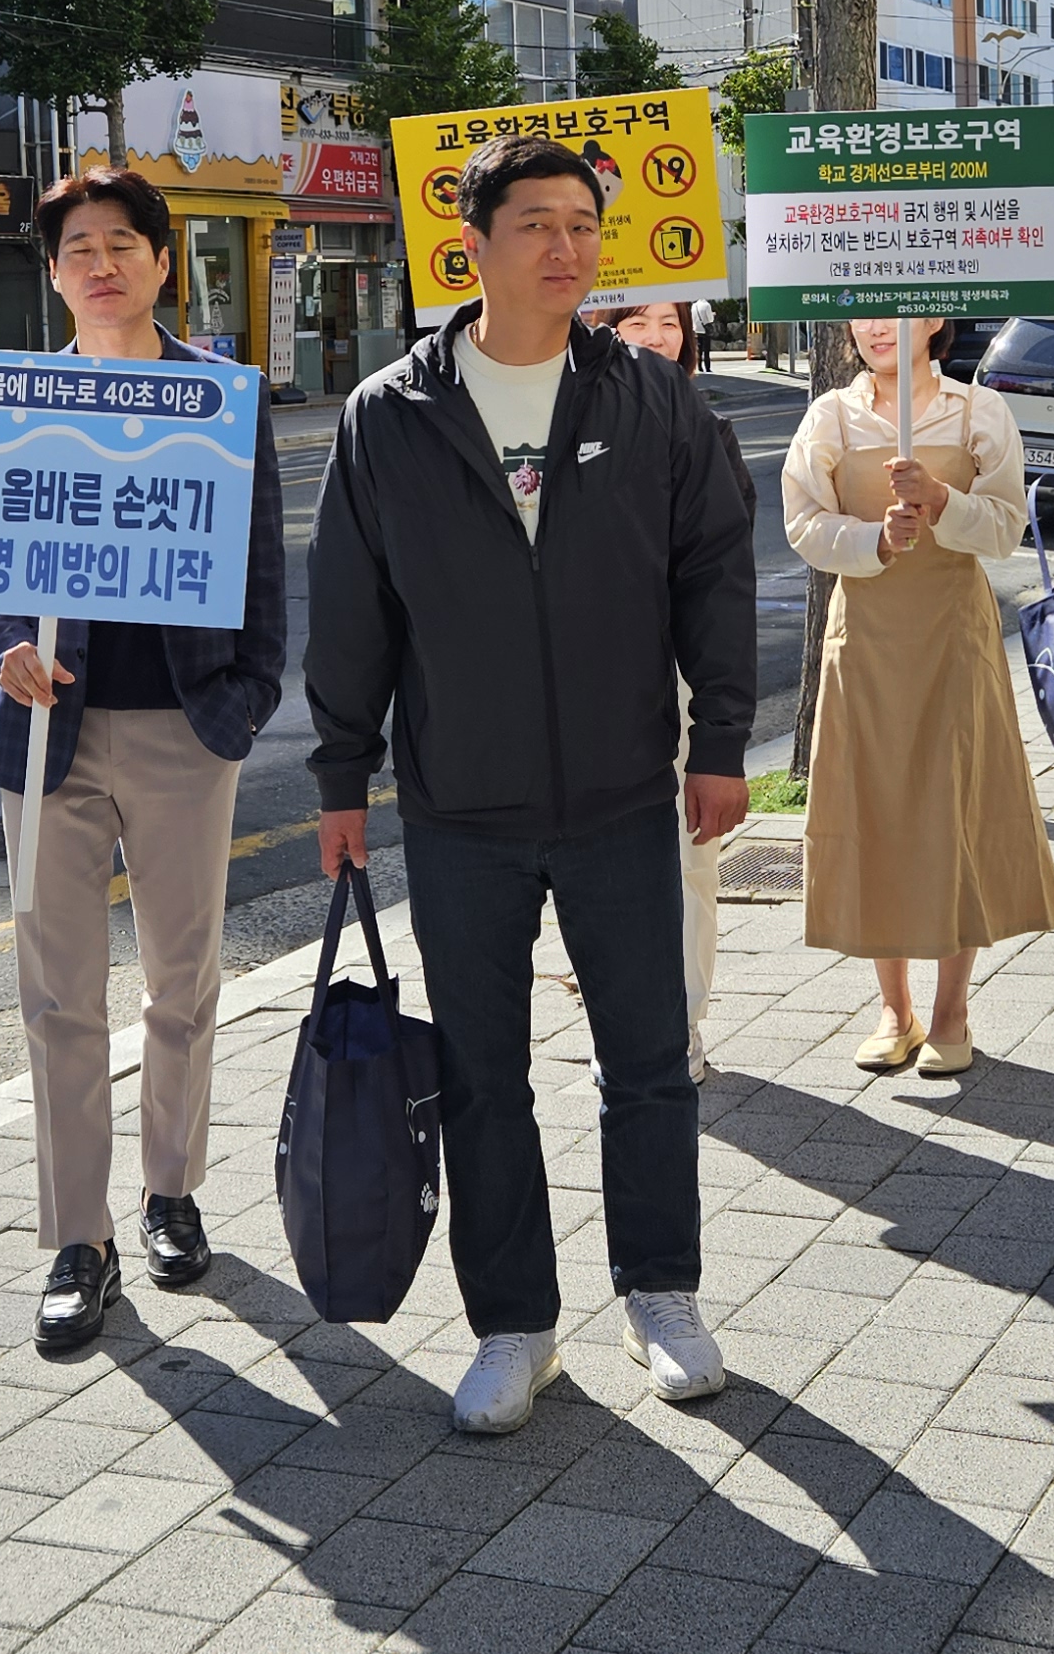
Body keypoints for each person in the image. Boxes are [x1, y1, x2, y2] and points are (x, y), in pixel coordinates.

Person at [308, 134, 757, 1433]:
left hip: (624, 794)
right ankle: (515, 1327)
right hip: (461, 808)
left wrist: (721, 741)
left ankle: (661, 1295)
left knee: (650, 1064)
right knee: (483, 1076)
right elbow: (353, 612)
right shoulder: (390, 415)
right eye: (538, 225)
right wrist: (343, 774)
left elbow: (714, 573)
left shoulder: (652, 400)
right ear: (475, 241)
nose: (568, 249)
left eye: (583, 225)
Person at [0, 166, 289, 1357]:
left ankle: (170, 1189)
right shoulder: (12, 399)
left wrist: (246, 700)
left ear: (163, 262)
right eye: (76, 248)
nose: (99, 263)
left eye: (121, 243)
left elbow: (262, 562)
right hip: (46, 732)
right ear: (51, 272)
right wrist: (2, 642)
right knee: (57, 995)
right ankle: (77, 1238)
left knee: (183, 980)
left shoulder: (218, 397)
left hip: (184, 728)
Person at [784, 312, 1054, 1078]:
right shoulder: (830, 416)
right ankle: (893, 1007)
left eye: (894, 313)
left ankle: (951, 1010)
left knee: (953, 806)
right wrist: (873, 540)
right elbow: (804, 523)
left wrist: (943, 502)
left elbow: (1005, 530)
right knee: (875, 805)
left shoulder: (979, 411)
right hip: (865, 635)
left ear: (933, 315)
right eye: (863, 314)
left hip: (953, 634)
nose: (875, 328)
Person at [606, 297, 741, 1083]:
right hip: (595, 689)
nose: (658, 337)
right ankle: (619, 1020)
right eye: (636, 323)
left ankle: (681, 1024)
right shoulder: (559, 418)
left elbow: (723, 572)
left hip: (680, 682)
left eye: (670, 321)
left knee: (692, 864)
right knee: (607, 867)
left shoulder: (705, 426)